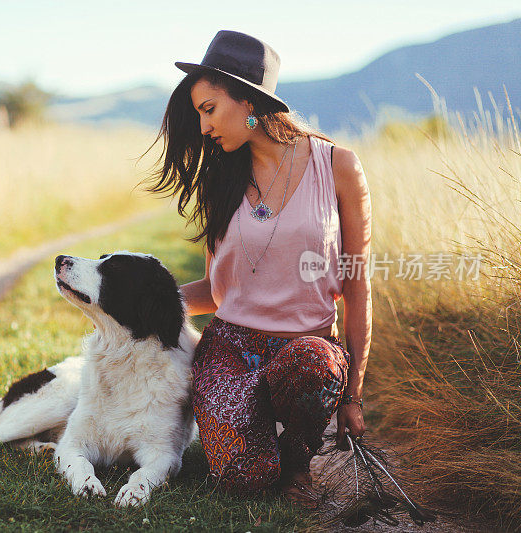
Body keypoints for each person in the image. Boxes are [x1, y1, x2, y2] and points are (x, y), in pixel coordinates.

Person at [147, 31, 372, 505]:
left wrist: (352, 394)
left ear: (247, 98)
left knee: (312, 363)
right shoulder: (220, 178)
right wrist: (147, 303)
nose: (203, 126)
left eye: (208, 109)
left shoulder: (338, 167)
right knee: (244, 481)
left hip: (306, 347)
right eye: (198, 114)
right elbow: (215, 289)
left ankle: (296, 463)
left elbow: (357, 287)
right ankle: (256, 445)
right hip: (232, 347)